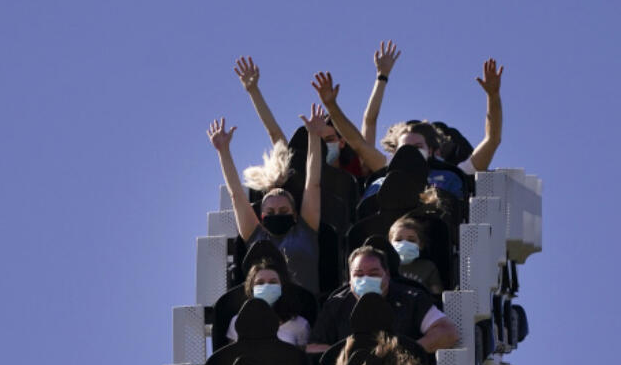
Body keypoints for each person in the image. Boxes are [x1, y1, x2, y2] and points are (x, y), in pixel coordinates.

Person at [311, 58, 504, 179]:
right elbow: (358, 143)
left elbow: (492, 140)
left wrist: (493, 96)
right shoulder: (387, 168)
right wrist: (331, 106)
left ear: (433, 151)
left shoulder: (455, 174)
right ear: (394, 152)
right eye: (406, 148)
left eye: (418, 147)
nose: (411, 152)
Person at [232, 43, 401, 178]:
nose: (324, 146)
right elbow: (275, 134)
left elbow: (369, 120)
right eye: (319, 140)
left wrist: (382, 76)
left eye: (328, 139)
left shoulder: (360, 165)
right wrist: (253, 90)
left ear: (342, 142)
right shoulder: (302, 170)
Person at [207, 108, 326, 294]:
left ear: (295, 214)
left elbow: (313, 184)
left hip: (303, 313)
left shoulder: (306, 230)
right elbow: (236, 195)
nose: (277, 215)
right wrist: (223, 152)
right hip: (264, 313)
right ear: (262, 216)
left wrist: (314, 137)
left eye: (283, 211)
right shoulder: (256, 238)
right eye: (270, 213)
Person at [306, 245, 458, 354]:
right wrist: (348, 354)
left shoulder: (412, 299)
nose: (365, 278)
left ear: (387, 274)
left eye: (374, 273)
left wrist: (403, 353)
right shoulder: (336, 305)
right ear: (349, 279)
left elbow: (447, 332)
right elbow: (313, 347)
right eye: (358, 274)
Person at [226, 259, 311, 348]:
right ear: (252, 288)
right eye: (260, 283)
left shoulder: (300, 324)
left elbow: (302, 358)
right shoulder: (237, 322)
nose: (266, 286)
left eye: (273, 282)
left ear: (282, 287)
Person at [388, 215, 444, 295]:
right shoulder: (384, 266)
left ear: (421, 245)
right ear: (390, 244)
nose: (404, 244)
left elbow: (437, 297)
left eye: (411, 240)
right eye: (398, 240)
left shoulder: (428, 267)